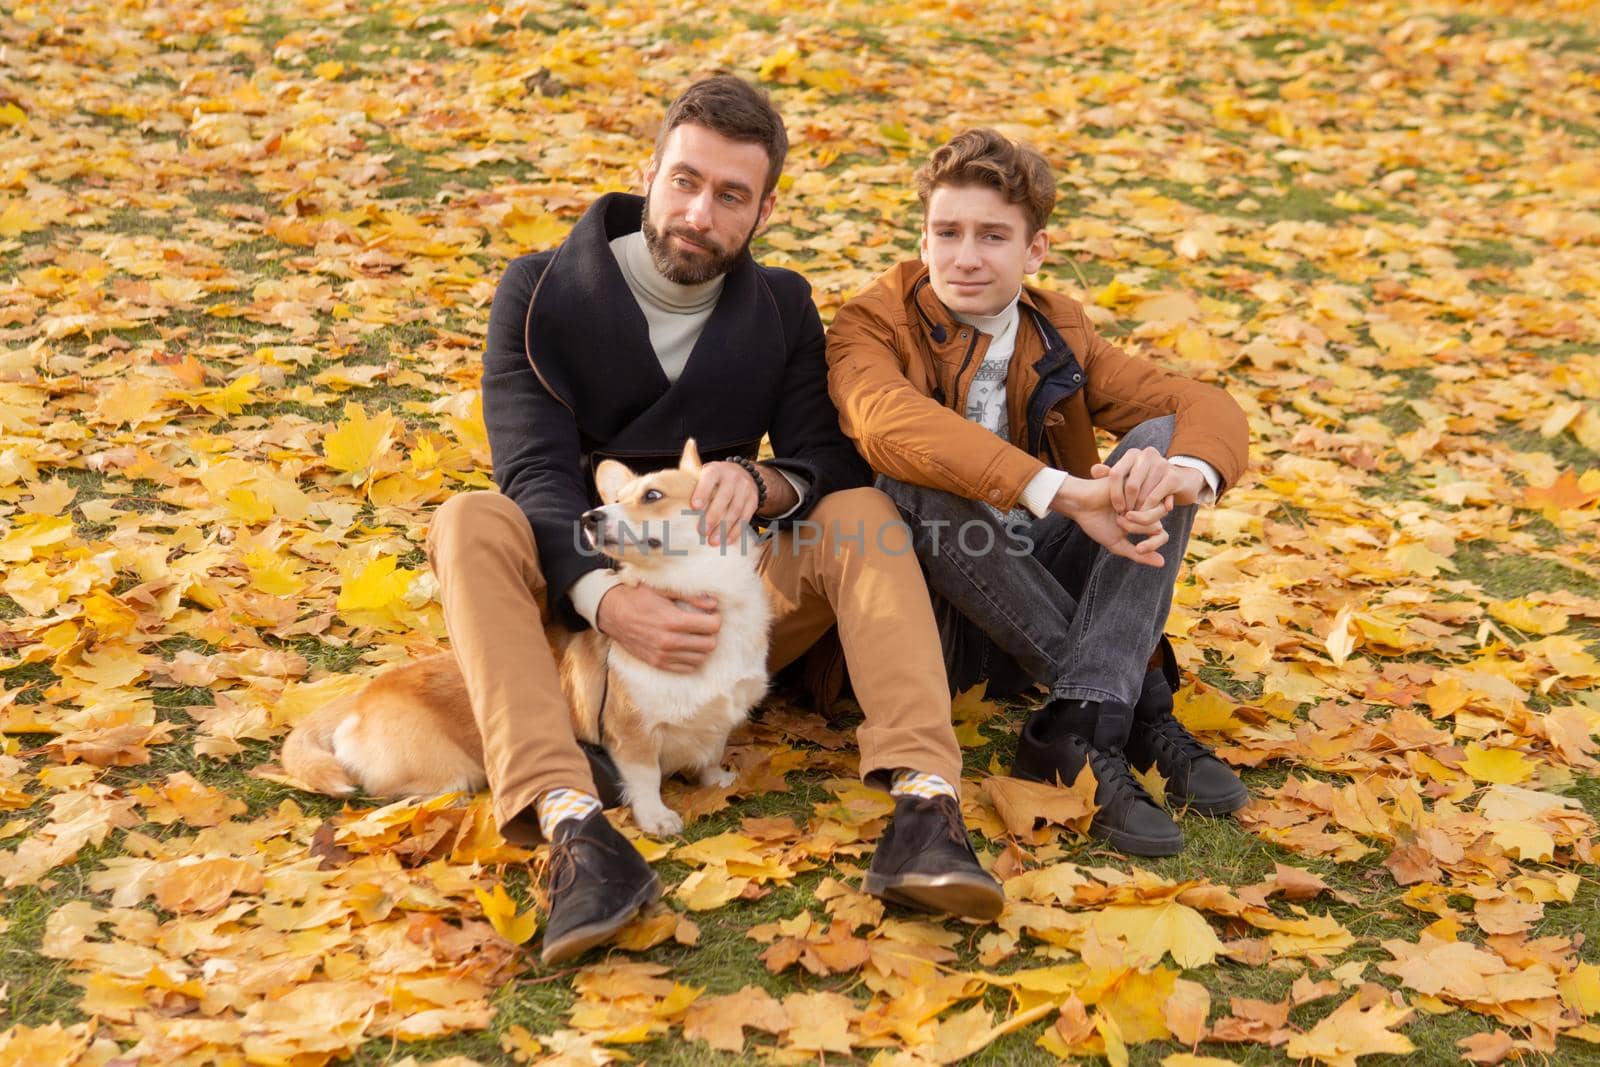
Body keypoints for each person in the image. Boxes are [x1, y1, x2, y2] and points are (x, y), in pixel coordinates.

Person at [429, 78, 1002, 966]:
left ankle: (927, 806)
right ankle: (574, 827)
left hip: (722, 615)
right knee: (470, 517)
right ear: (650, 171)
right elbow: (535, 474)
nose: (700, 211)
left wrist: (765, 482)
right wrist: (606, 601)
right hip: (578, 615)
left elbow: (830, 459)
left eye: (731, 196)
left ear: (764, 209)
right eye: (686, 181)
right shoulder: (539, 290)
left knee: (859, 512)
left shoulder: (778, 305)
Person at [824, 128, 1251, 858]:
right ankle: (1125, 693)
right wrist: (1057, 491)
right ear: (922, 239)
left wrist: (1180, 477)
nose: (964, 256)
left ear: (1035, 251)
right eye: (946, 232)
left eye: (993, 236)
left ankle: (1081, 718)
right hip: (933, 622)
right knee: (907, 480)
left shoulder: (1057, 329)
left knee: (1154, 446)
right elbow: (887, 424)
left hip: (1034, 588)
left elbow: (1200, 405)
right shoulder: (873, 321)